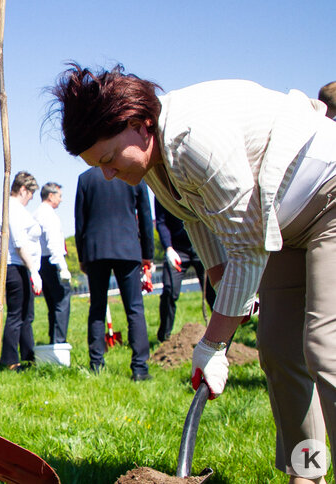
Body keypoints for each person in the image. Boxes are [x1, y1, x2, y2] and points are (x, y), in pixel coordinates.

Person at [51, 63, 336, 483]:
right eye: (99, 167)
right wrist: (224, 285)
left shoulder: (191, 140)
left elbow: (247, 246)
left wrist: (213, 343)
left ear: (139, 124)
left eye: (109, 159)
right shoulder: (152, 164)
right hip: (282, 226)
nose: (108, 174)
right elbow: (197, 217)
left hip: (328, 195)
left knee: (323, 343)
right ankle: (306, 471)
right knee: (277, 348)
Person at [75, 166, 154, 380]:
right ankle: (139, 368)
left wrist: (83, 256)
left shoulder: (85, 179)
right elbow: (146, 216)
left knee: (97, 308)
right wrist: (148, 254)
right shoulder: (133, 175)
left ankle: (96, 365)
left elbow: (79, 223)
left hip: (96, 251)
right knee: (135, 309)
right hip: (127, 249)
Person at [0, 171, 43, 371]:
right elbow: (19, 243)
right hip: (14, 266)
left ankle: (29, 358)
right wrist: (34, 271)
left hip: (20, 266)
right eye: (31, 193)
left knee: (26, 315)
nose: (31, 198)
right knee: (16, 314)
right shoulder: (11, 208)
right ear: (23, 189)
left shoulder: (13, 208)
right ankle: (11, 361)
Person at [154, 199, 215, 342]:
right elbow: (161, 223)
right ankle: (164, 337)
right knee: (169, 291)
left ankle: (223, 334)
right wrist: (168, 248)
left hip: (200, 244)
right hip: (177, 249)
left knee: (213, 290)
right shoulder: (162, 189)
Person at [34, 182, 72, 344]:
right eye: (59, 196)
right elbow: (54, 242)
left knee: (52, 303)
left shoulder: (35, 213)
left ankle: (53, 338)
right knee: (62, 300)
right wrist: (62, 267)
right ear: (51, 196)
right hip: (52, 260)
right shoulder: (49, 215)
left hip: (41, 262)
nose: (61, 200)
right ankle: (59, 341)